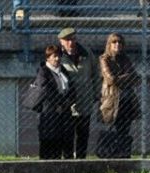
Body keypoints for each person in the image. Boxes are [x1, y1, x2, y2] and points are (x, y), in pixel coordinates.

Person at [58, 27, 99, 158]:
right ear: (61, 41)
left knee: (83, 133)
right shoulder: (58, 55)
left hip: (85, 99)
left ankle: (81, 160)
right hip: (67, 102)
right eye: (67, 40)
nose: (71, 42)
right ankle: (68, 160)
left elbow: (95, 74)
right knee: (67, 133)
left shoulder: (86, 53)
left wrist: (96, 93)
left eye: (73, 39)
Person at [99, 33, 141, 158]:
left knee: (125, 129)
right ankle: (111, 154)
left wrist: (120, 78)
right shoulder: (104, 58)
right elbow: (110, 79)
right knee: (113, 127)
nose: (117, 45)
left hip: (127, 99)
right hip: (112, 99)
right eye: (114, 42)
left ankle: (123, 155)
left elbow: (136, 78)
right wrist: (126, 77)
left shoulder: (125, 58)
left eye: (120, 43)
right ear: (109, 44)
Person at [32, 45, 74, 159]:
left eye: (59, 56)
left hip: (64, 112)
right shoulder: (43, 71)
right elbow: (46, 90)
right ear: (48, 58)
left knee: (62, 140)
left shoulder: (63, 70)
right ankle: (46, 168)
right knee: (48, 141)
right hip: (49, 112)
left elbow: (71, 87)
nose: (57, 59)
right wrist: (60, 102)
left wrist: (69, 101)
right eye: (54, 56)